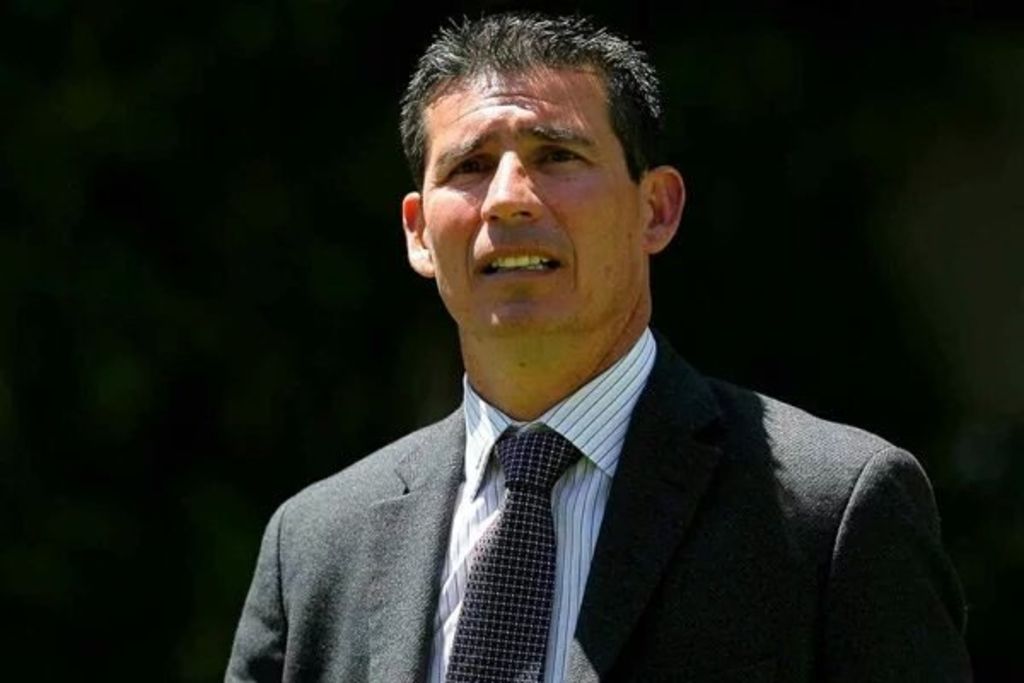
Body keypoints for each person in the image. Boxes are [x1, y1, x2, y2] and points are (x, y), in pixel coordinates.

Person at [226, 12, 971, 683]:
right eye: (470, 166)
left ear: (657, 209)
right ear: (419, 233)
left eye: (556, 155)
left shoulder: (834, 511)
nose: (508, 197)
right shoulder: (316, 545)